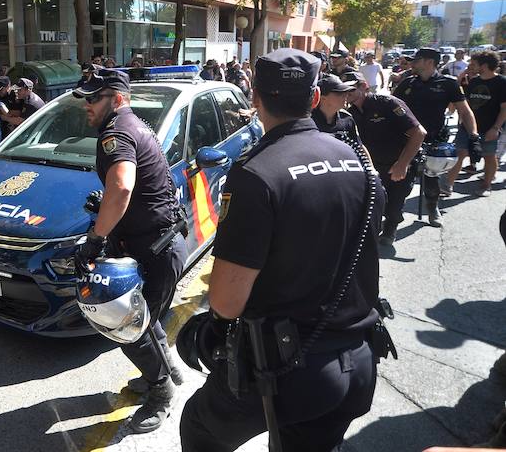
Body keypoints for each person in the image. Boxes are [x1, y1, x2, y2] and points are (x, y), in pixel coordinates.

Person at [179, 48, 386, 452]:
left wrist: (209, 331)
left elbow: (226, 300)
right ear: (313, 98)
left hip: (286, 369)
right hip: (359, 360)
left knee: (200, 427)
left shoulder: (256, 174)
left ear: (255, 98)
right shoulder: (355, 158)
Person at [72, 69, 186, 434]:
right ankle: (166, 369)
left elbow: (122, 188)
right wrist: (104, 206)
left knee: (127, 327)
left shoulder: (117, 131)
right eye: (85, 98)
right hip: (157, 244)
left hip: (155, 247)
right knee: (146, 321)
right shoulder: (133, 124)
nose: (87, 105)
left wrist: (94, 238)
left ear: (117, 99)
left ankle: (161, 392)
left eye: (94, 98)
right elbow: (128, 191)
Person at [393, 48, 482, 227]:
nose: (412, 64)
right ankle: (393, 218)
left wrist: (474, 136)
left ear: (429, 62)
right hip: (406, 137)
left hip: (434, 137)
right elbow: (390, 105)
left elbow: (465, 111)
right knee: (399, 178)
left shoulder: (448, 83)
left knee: (432, 178)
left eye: (416, 60)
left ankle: (432, 208)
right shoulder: (407, 82)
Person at [345, 72, 426, 245]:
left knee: (394, 205)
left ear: (364, 86)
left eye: (352, 88)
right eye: (345, 89)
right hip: (373, 165)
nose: (348, 92)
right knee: (373, 202)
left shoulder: (387, 103)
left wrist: (402, 164)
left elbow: (419, 133)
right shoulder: (349, 114)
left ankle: (390, 229)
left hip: (397, 163)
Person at [443, 51, 506, 197]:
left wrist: (496, 128)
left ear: (484, 65)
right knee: (459, 153)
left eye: (474, 64)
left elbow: (504, 108)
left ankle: (486, 185)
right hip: (468, 127)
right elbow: (466, 104)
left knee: (489, 157)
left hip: (490, 128)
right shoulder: (474, 81)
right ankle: (447, 185)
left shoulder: (502, 83)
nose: (471, 66)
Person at [311, 74, 361, 142]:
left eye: (346, 92)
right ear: (323, 98)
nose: (346, 95)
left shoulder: (347, 118)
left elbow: (358, 146)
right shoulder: (309, 121)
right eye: (339, 93)